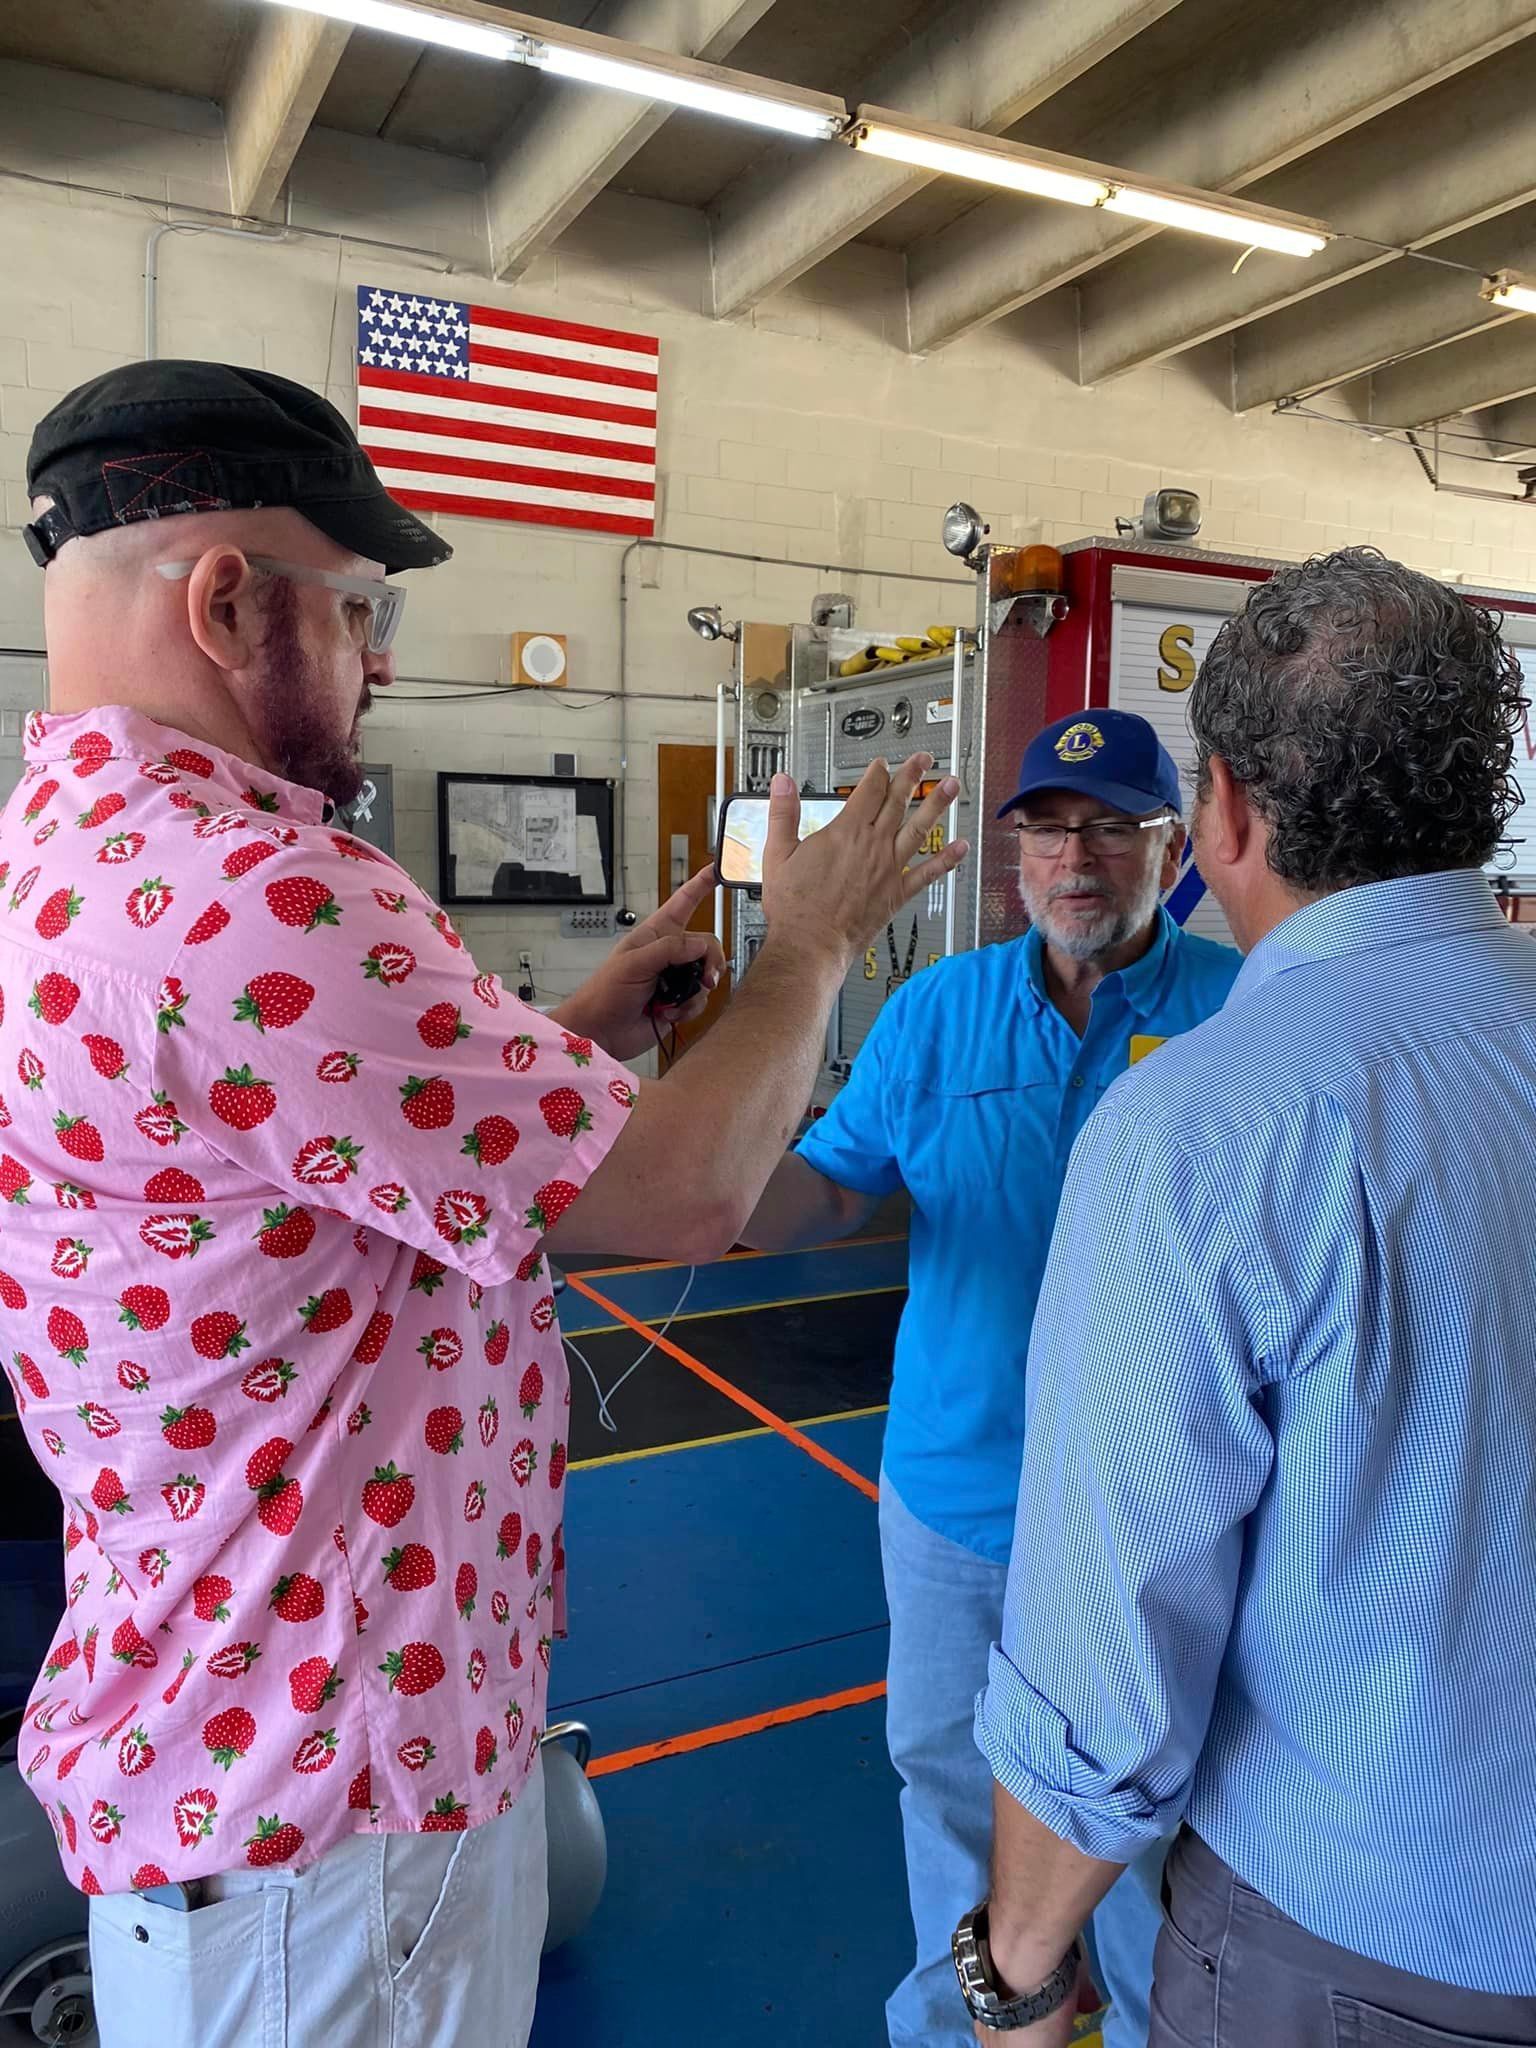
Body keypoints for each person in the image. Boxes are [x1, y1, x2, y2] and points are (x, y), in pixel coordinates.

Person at [6, 359, 965, 2048]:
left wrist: (577, 1033)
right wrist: (811, 944)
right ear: (230, 600)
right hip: (338, 1815)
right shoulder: (261, 894)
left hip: (222, 1753)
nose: (383, 659)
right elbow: (678, 1199)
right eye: (363, 608)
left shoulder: (77, 846)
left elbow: (283, 1158)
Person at [963, 548, 1536, 2045]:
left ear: (1216, 812)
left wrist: (1015, 1964)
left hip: (1374, 1942)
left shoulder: (1203, 1127)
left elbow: (1111, 1653)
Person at [743, 708, 1239, 2047]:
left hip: (1159, 1513)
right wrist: (712, 1162)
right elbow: (825, 1200)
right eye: (1046, 829)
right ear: (1010, 853)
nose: (1075, 858)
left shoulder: (1237, 1011)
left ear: (1171, 844)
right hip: (955, 1497)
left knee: (1145, 1815)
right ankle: (957, 2028)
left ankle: (1140, 2023)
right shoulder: (935, 1013)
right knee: (951, 1788)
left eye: (1111, 826)